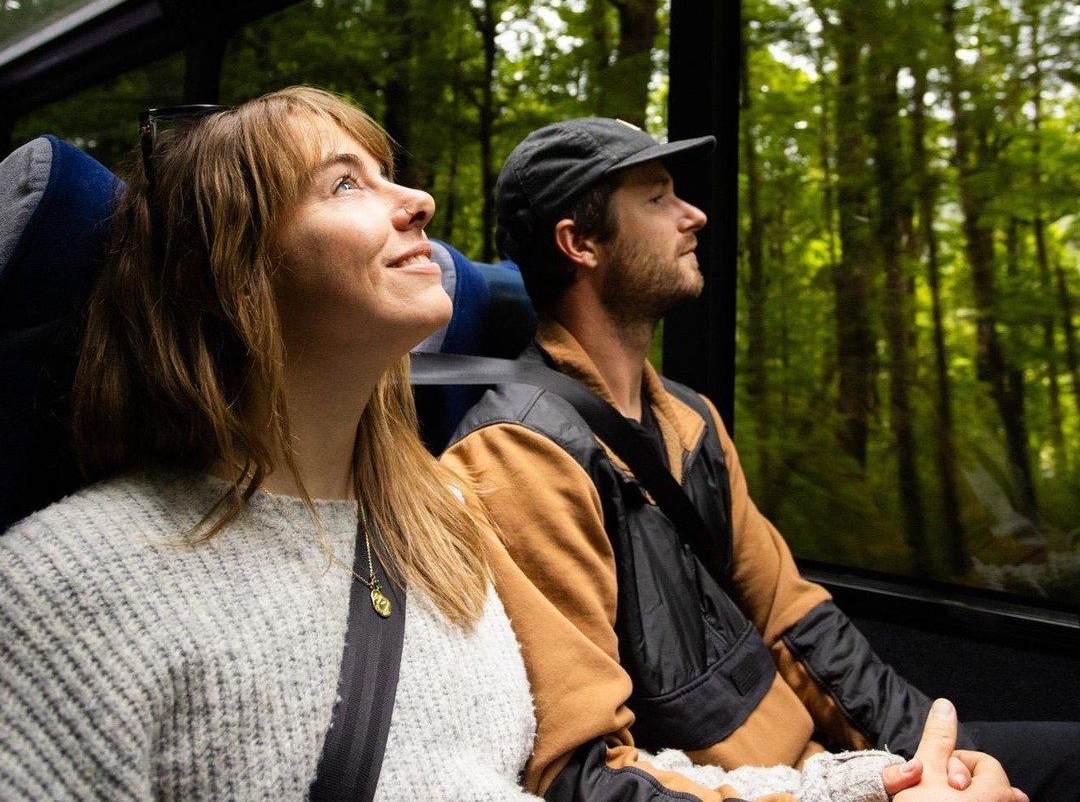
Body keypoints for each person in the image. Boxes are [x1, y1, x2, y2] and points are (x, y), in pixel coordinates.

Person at [0, 86, 1013, 802]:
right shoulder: (61, 594)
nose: (421, 203)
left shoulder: (433, 530)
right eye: (346, 184)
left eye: (392, 176)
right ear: (232, 273)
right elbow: (585, 773)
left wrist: (890, 775)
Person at [442, 116, 1076, 800]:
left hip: (828, 766)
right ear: (580, 243)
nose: (693, 215)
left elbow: (797, 625)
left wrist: (934, 760)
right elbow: (582, 776)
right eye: (657, 198)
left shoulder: (692, 421)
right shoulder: (517, 455)